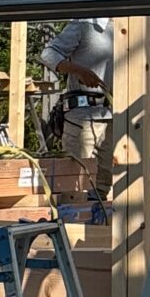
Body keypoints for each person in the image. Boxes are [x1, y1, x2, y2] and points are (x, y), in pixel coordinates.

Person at [40, 17, 113, 187]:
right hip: (82, 117)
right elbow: (48, 54)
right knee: (76, 184)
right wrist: (79, 71)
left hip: (111, 117)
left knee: (102, 186)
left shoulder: (127, 27)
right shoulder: (84, 24)